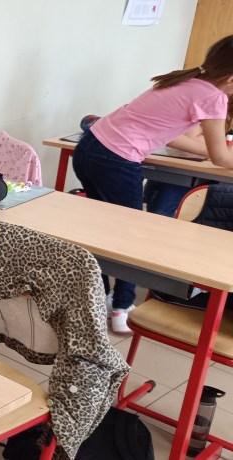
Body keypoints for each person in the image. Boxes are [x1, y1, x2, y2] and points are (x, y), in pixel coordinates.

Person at [72, 34, 233, 334]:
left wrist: (210, 151)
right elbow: (221, 156)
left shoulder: (183, 79)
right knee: (131, 235)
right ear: (231, 78)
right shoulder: (214, 97)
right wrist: (216, 151)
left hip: (90, 147)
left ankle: (99, 298)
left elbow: (172, 136)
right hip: (115, 159)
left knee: (102, 229)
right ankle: (121, 307)